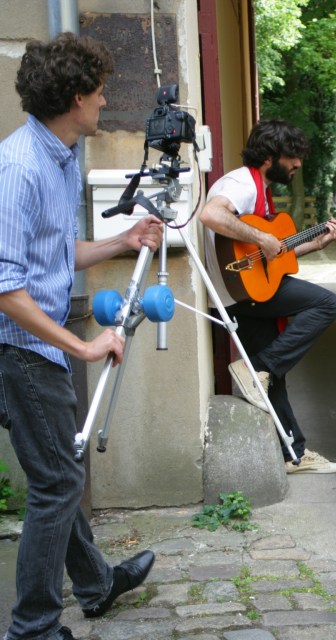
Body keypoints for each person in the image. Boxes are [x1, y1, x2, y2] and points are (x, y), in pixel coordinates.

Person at [0, 32, 161, 640]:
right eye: (99, 92)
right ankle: (34, 628)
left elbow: (53, 253)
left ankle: (95, 583)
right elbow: (5, 287)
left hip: (36, 342)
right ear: (75, 98)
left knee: (56, 470)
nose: (104, 101)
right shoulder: (19, 167)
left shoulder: (61, 157)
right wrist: (84, 346)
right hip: (19, 347)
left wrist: (122, 241)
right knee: (58, 481)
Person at [199, 119, 336, 474]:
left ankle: (293, 454)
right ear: (270, 157)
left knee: (273, 379)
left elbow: (269, 258)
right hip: (242, 293)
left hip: (248, 290)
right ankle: (258, 368)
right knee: (326, 304)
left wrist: (314, 244)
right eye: (293, 157)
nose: (297, 164)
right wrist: (262, 237)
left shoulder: (259, 190)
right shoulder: (241, 183)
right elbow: (211, 214)